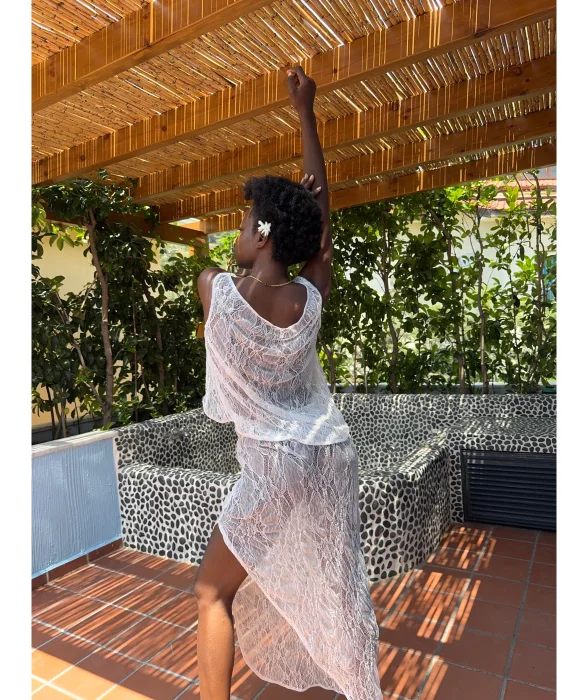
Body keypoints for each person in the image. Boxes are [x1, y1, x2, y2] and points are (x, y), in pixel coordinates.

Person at [193, 66, 382, 700]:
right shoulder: (308, 298)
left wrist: (291, 215)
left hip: (276, 464)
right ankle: (362, 688)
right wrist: (307, 113)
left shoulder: (215, 290)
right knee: (341, 587)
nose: (237, 232)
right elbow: (321, 230)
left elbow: (303, 235)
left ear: (264, 234)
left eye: (246, 223)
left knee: (212, 591)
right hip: (329, 454)